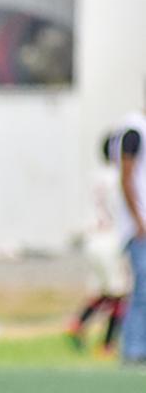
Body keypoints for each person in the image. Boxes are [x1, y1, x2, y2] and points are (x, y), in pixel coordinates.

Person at [67, 135, 127, 355]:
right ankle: (108, 344)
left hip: (93, 239)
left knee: (104, 290)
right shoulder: (121, 176)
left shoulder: (95, 177)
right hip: (111, 238)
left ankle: (78, 323)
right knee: (121, 293)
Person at [115, 101, 146, 364]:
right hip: (140, 227)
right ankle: (134, 350)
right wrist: (138, 220)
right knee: (142, 289)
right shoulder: (135, 130)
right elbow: (126, 177)